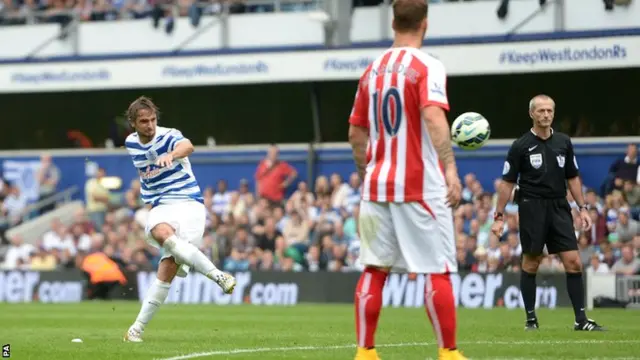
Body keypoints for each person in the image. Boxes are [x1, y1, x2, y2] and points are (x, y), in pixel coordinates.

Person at [347, 1, 465, 359]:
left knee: (374, 268)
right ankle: (448, 352)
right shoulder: (428, 66)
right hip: (419, 184)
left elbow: (355, 133)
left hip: (377, 184)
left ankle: (365, 352)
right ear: (425, 24)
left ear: (393, 22)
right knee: (437, 269)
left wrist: (366, 173)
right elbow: (432, 116)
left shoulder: (372, 70)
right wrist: (450, 167)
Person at [123, 96, 236, 342]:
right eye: (144, 121)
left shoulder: (169, 135)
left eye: (153, 119)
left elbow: (188, 146)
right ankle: (218, 275)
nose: (150, 125)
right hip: (163, 206)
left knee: (166, 270)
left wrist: (172, 155)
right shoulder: (130, 143)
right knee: (158, 232)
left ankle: (136, 328)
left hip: (189, 204)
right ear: (133, 123)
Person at [491, 94, 604, 332]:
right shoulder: (520, 146)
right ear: (531, 113)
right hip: (532, 207)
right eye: (541, 111)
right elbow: (507, 183)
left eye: (549, 111)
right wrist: (499, 216)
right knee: (531, 262)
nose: (546, 115)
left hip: (559, 206)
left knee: (573, 262)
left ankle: (581, 320)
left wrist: (582, 208)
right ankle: (531, 319)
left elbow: (572, 176)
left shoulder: (564, 141)